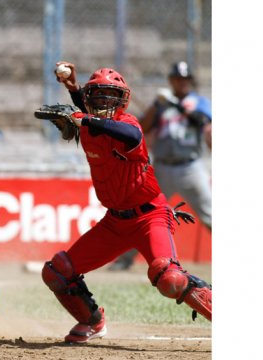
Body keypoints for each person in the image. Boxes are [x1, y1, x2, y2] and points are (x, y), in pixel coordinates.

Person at [35, 61, 212, 344]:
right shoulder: (89, 126)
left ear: (123, 100)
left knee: (170, 279)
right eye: (99, 96)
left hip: (150, 215)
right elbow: (89, 112)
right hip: (115, 221)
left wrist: (86, 118)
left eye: (111, 96)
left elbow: (132, 134)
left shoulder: (126, 125)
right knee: (57, 273)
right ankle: (92, 321)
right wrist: (73, 88)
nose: (104, 102)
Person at [108, 61, 212, 271]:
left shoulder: (198, 102)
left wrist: (174, 104)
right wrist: (156, 106)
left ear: (189, 81)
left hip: (191, 167)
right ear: (171, 81)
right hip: (162, 168)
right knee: (143, 212)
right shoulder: (162, 103)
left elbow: (202, 121)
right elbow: (143, 128)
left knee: (211, 213)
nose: (180, 83)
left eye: (184, 79)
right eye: (176, 79)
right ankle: (125, 259)